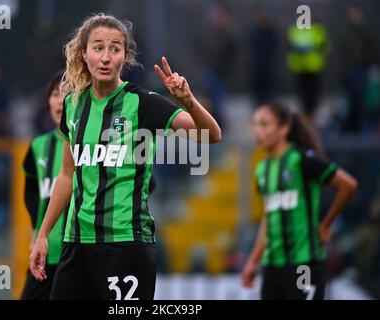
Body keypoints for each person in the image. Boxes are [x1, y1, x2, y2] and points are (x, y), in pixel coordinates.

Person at [29, 13, 221, 300]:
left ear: (124, 57)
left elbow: (211, 134)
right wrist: (42, 234)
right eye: (98, 48)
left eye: (115, 49)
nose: (106, 57)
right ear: (84, 53)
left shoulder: (142, 103)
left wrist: (188, 101)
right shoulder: (72, 105)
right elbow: (67, 175)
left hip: (125, 245)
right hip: (76, 243)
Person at [241, 102, 358, 300]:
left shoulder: (303, 160)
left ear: (284, 128)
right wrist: (253, 261)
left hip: (304, 262)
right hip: (272, 267)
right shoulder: (262, 169)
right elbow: (268, 217)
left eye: (264, 124)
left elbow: (348, 185)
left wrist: (326, 225)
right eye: (255, 124)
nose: (257, 131)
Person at [20, 71, 68, 299]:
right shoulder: (38, 146)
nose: (59, 100)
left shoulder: (93, 144)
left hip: (81, 255)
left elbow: (147, 183)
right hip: (45, 253)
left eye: (67, 93)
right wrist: (35, 229)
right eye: (54, 94)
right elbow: (30, 190)